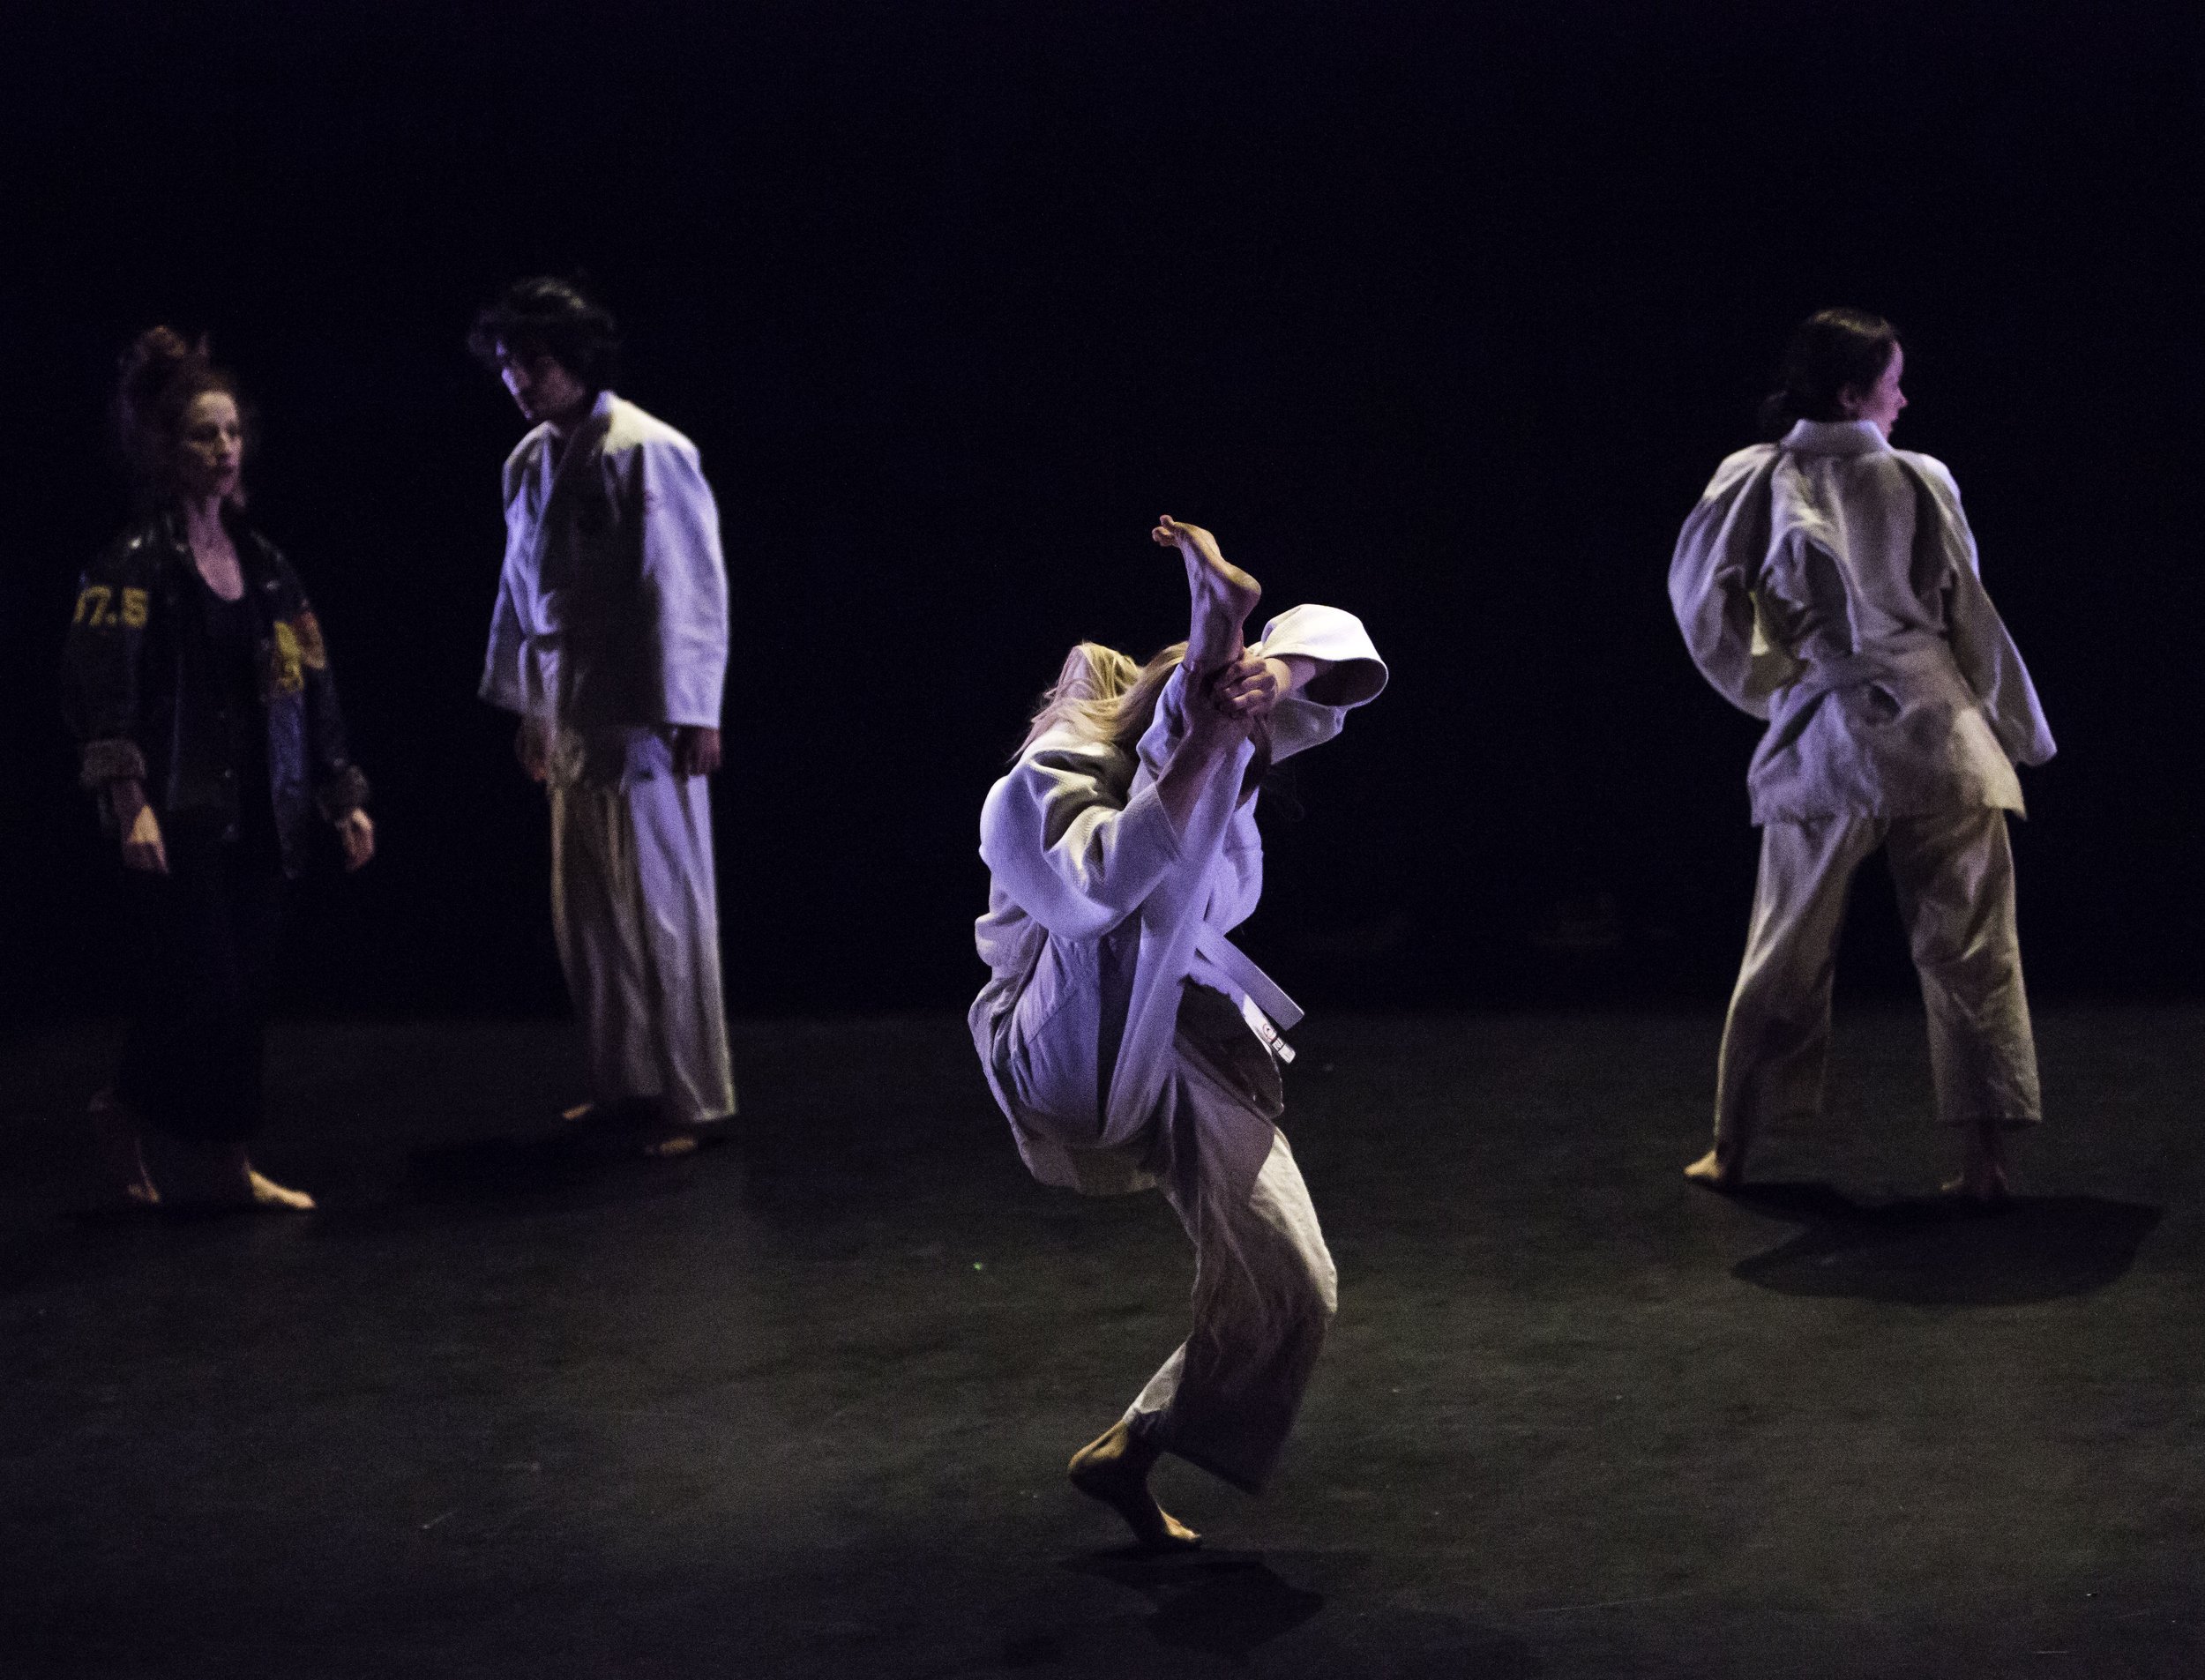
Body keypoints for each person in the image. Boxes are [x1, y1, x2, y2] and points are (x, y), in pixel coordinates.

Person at [970, 516, 1387, 1549]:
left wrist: (1272, 681)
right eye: (1203, 691)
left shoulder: (1231, 788)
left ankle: (1134, 1445)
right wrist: (1199, 731)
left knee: (1294, 1277)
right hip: (1057, 1040)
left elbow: (1347, 652)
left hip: (1176, 1035)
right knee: (1133, 910)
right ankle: (1209, 663)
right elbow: (1095, 899)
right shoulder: (1032, 788)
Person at [1669, 308, 2055, 1201]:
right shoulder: (1905, 480)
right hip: (1938, 734)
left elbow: (1703, 610)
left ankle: (1734, 1145)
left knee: (1785, 946)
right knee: (1970, 951)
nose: (1903, 398)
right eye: (1891, 384)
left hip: (1833, 740)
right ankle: (1985, 1161)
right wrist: (2013, 728)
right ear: (1851, 394)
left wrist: (1778, 687)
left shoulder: (1761, 477)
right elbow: (1970, 619)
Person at [64, 328, 376, 1211]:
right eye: (206, 434)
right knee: (200, 986)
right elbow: (102, 691)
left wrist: (339, 792)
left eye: (233, 432)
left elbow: (314, 683)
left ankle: (232, 1164)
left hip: (263, 810)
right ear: (168, 448)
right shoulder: (132, 566)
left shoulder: (267, 568)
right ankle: (123, 1108)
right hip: (183, 806)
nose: (225, 449)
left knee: (243, 996)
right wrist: (130, 802)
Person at [471, 278, 735, 1156]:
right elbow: (519, 597)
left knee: (664, 904)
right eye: (509, 363)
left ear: (577, 359)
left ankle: (694, 1096)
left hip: (645, 711)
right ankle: (624, 1082)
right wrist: (530, 707)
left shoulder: (647, 450)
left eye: (533, 362)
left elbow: (684, 584)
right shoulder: (526, 463)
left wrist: (696, 710)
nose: (518, 379)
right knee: (586, 910)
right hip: (573, 701)